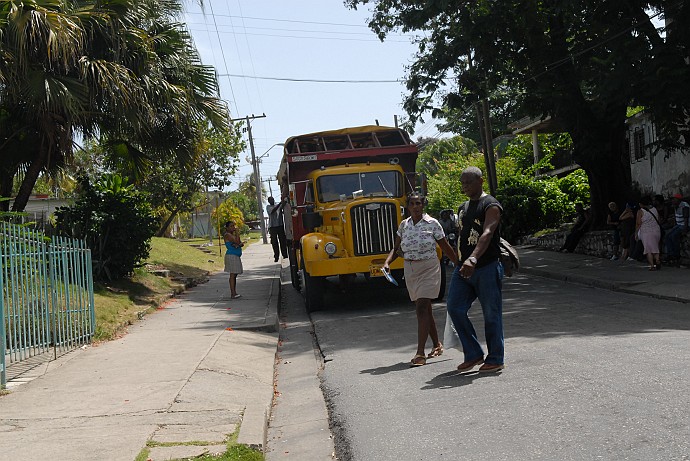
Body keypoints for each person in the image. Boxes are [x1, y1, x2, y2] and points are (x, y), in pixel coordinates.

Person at [383, 193, 458, 367]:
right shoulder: (404, 225)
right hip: (410, 269)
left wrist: (459, 265)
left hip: (429, 268)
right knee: (424, 309)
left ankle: (420, 353)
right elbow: (396, 248)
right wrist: (387, 263)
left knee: (422, 306)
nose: (416, 206)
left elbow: (445, 247)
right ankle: (437, 344)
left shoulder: (433, 224)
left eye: (419, 203)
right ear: (408, 206)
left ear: (423, 205)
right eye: (412, 203)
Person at [447, 166, 505, 373]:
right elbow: (462, 235)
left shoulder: (490, 205)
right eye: (462, 183)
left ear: (480, 181)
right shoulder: (463, 207)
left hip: (486, 267)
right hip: (464, 268)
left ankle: (496, 358)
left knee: (491, 314)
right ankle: (473, 353)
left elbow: (487, 233)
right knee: (454, 307)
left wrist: (473, 258)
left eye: (468, 182)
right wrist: (459, 259)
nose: (464, 186)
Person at [635, 196, 662, 271]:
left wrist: (636, 233)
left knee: (648, 250)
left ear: (641, 204)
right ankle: (657, 260)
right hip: (656, 231)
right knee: (655, 247)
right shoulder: (654, 209)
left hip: (646, 232)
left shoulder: (640, 211)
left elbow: (638, 223)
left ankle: (652, 266)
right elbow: (659, 220)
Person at [663, 193, 689, 266]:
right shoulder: (675, 206)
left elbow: (686, 218)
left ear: (678, 199)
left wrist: (685, 230)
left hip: (684, 225)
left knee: (674, 236)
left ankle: (676, 255)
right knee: (668, 236)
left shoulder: (684, 206)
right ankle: (670, 254)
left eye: (674, 199)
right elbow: (676, 217)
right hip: (679, 225)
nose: (672, 201)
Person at [223, 221, 244, 299]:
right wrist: (237, 233)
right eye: (231, 226)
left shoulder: (232, 235)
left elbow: (240, 243)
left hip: (235, 255)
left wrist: (239, 243)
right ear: (227, 228)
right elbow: (237, 241)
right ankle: (233, 293)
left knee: (235, 274)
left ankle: (234, 292)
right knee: (232, 275)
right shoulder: (227, 235)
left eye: (234, 226)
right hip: (231, 256)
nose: (233, 228)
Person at [266, 196, 288, 262]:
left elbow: (283, 205)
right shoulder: (268, 207)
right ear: (269, 201)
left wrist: (284, 201)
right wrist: (279, 204)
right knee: (274, 242)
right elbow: (272, 211)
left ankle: (285, 254)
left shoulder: (278, 206)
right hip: (273, 227)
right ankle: (276, 256)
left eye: (273, 199)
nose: (272, 201)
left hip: (280, 225)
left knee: (282, 241)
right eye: (271, 200)